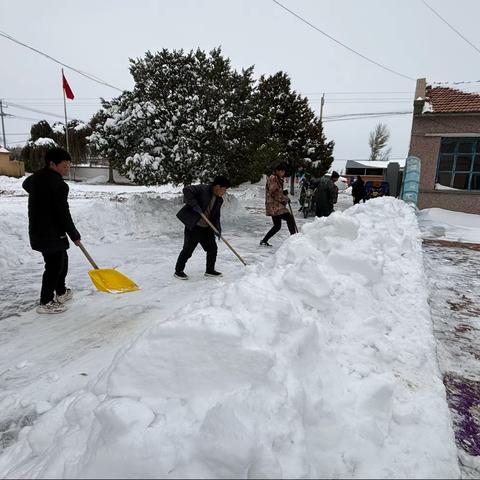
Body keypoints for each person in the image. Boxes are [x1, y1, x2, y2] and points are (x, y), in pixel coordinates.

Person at [23, 147, 81, 314]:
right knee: (54, 266)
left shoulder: (35, 179)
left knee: (61, 260)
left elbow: (25, 184)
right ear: (52, 164)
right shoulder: (59, 185)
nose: (67, 168)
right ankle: (46, 301)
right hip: (51, 232)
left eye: (69, 165)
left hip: (38, 230)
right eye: (64, 166)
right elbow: (64, 213)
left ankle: (61, 292)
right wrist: (75, 235)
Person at [174, 176, 230, 280]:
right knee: (188, 250)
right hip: (194, 226)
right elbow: (186, 190)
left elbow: (216, 216)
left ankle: (210, 270)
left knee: (213, 249)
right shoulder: (203, 189)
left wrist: (217, 229)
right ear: (218, 186)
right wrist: (194, 204)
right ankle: (178, 271)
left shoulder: (219, 200)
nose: (225, 191)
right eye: (224, 188)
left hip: (206, 228)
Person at [260, 163, 296, 247]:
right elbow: (274, 192)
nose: (283, 173)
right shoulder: (273, 178)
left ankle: (264, 240)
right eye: (282, 171)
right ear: (277, 171)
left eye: (284, 171)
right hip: (274, 205)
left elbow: (277, 191)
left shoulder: (277, 178)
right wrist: (285, 198)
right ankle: (294, 239)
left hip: (274, 205)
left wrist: (283, 193)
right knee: (290, 219)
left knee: (277, 226)